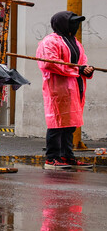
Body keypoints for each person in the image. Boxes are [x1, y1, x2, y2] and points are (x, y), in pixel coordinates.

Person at [37, 11, 94, 170]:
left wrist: (86, 69)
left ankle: (67, 156)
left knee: (70, 124)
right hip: (58, 88)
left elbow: (82, 62)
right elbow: (49, 63)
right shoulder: (49, 42)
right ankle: (52, 158)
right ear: (62, 24)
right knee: (57, 124)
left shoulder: (75, 42)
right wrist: (77, 70)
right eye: (73, 22)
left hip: (75, 87)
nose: (76, 26)